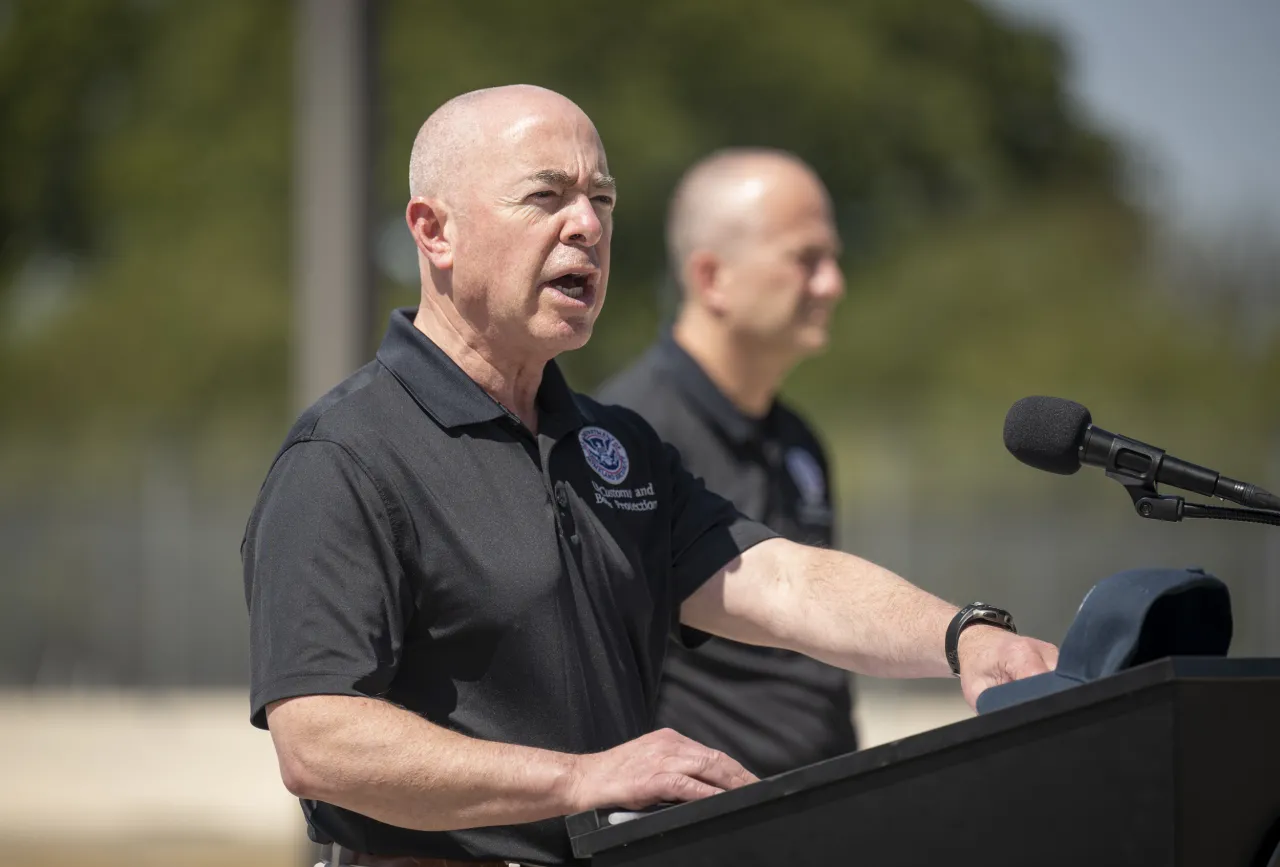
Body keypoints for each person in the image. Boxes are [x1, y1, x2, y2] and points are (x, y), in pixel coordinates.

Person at [242, 84, 1058, 867]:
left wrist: (964, 636)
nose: (586, 226)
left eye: (602, 200)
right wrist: (582, 778)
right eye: (546, 196)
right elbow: (318, 738)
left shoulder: (616, 444)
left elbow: (775, 579)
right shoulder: (345, 456)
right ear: (435, 230)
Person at [597, 148, 859, 778]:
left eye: (833, 261)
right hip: (707, 829)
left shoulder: (797, 440)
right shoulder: (622, 437)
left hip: (825, 817)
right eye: (807, 260)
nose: (832, 284)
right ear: (712, 277)